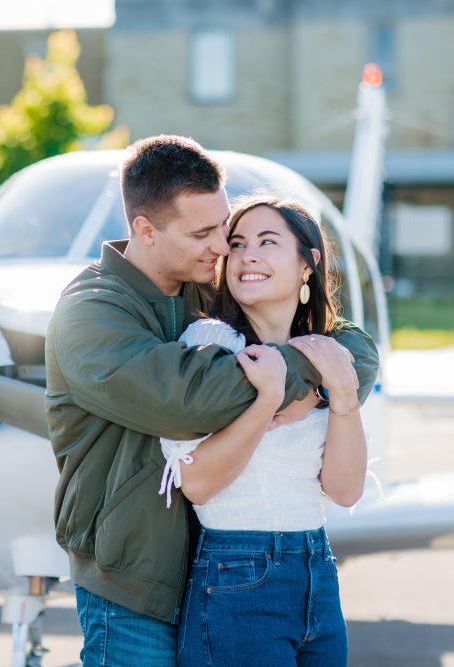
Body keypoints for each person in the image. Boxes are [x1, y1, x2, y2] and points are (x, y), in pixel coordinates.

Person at [45, 135, 379, 667]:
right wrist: (294, 380)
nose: (223, 248)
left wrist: (324, 372)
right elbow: (190, 400)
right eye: (203, 234)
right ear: (145, 230)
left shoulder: (208, 287)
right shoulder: (92, 313)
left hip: (220, 564)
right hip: (136, 579)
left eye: (222, 228)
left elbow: (354, 348)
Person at [159, 195, 367, 666]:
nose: (247, 254)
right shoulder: (212, 344)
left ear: (308, 264)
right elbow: (198, 483)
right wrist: (267, 400)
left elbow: (346, 489)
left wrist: (341, 393)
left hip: (317, 566)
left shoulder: (323, 355)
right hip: (237, 570)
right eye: (237, 243)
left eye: (267, 242)